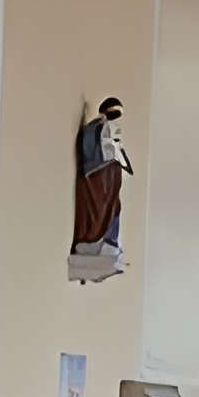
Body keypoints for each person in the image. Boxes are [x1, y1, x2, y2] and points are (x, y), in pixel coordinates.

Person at [69, 96, 133, 282]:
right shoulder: (93, 128)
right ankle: (94, 243)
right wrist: (109, 154)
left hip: (109, 176)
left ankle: (108, 242)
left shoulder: (106, 129)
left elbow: (115, 151)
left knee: (113, 208)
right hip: (98, 175)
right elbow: (91, 150)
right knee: (102, 207)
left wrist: (117, 151)